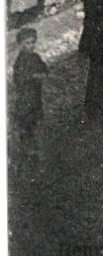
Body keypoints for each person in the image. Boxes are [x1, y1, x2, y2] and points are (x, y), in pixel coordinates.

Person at [12, 27, 48, 162]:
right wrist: (34, 76)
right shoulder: (20, 62)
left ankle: (33, 149)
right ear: (20, 44)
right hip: (25, 99)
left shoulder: (35, 57)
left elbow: (44, 67)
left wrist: (42, 73)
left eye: (33, 42)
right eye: (27, 43)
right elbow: (18, 79)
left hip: (35, 97)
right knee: (26, 124)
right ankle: (29, 150)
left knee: (34, 122)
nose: (31, 46)